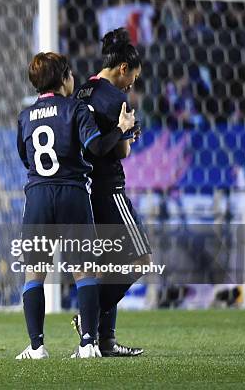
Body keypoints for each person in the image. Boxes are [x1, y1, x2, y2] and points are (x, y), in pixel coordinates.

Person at [16, 52, 135, 359]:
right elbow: (97, 146)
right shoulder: (75, 108)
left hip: (39, 196)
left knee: (34, 274)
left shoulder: (25, 116)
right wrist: (121, 129)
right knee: (86, 271)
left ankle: (36, 346)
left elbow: (25, 157)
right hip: (72, 193)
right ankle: (87, 344)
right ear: (64, 78)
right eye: (70, 75)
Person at [73, 27, 152, 357]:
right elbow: (120, 153)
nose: (132, 83)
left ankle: (105, 341)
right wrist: (129, 136)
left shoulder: (82, 91)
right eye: (132, 76)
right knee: (141, 259)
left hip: (86, 189)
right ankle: (88, 320)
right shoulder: (116, 97)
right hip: (110, 188)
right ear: (123, 68)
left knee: (107, 265)